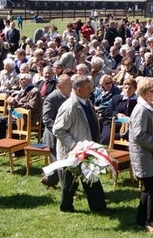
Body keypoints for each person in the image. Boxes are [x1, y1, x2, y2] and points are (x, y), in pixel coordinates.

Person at [52, 75, 106, 213]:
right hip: (74, 152)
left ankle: (98, 206)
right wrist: (74, 146)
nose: (91, 90)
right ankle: (67, 206)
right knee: (71, 180)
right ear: (78, 89)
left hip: (87, 149)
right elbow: (58, 129)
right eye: (88, 87)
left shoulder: (86, 102)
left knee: (90, 177)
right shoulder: (70, 106)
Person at [128, 77, 153, 234]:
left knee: (148, 189)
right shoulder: (141, 109)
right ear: (145, 92)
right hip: (142, 156)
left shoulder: (148, 107)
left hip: (149, 154)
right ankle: (151, 223)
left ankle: (141, 220)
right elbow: (139, 136)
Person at [38, 74, 71, 189]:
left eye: (71, 83)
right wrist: (59, 131)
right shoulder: (52, 98)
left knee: (62, 162)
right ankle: (65, 190)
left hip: (65, 136)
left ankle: (49, 179)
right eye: (68, 84)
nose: (71, 86)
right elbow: (47, 119)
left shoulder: (68, 97)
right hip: (54, 136)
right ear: (59, 85)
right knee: (60, 163)